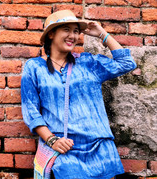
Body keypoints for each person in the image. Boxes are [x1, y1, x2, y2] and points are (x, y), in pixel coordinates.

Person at [21, 10, 137, 179]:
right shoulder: (35, 67)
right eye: (66, 30)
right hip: (64, 148)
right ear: (51, 34)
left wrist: (102, 34)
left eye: (76, 31)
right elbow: (31, 111)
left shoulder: (88, 63)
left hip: (100, 149)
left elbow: (127, 63)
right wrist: (52, 140)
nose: (73, 36)